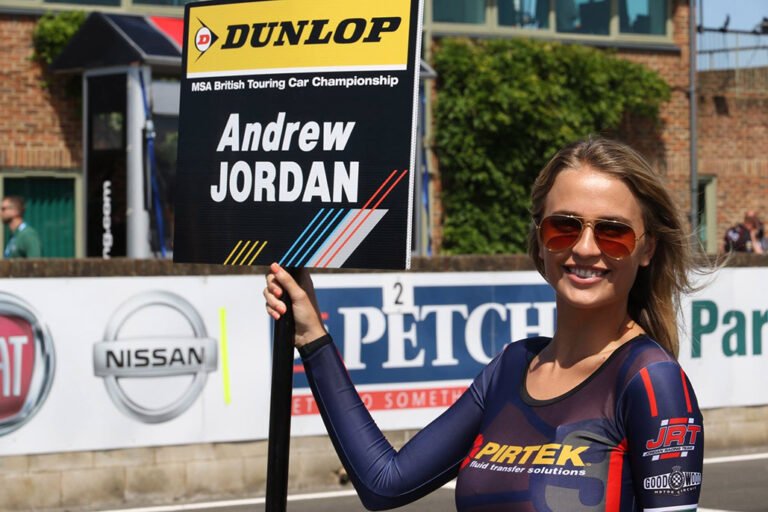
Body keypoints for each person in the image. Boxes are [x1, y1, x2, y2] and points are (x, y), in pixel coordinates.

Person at [264, 137, 705, 511]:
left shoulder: (651, 381)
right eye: (563, 227)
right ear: (540, 237)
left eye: (613, 232)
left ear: (647, 249)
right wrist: (311, 336)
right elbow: (385, 481)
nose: (585, 248)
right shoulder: (512, 365)